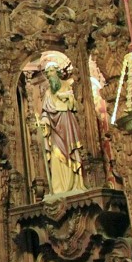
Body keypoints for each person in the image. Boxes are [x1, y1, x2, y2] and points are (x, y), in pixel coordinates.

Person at [39, 61, 87, 194]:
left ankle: (74, 184)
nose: (49, 76)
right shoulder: (48, 92)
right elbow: (45, 111)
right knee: (56, 155)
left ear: (58, 72)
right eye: (47, 74)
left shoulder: (67, 85)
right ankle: (59, 189)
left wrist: (67, 97)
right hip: (54, 129)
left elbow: (74, 106)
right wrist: (44, 120)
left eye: (51, 72)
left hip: (66, 123)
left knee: (70, 150)